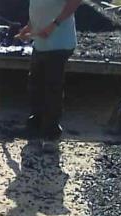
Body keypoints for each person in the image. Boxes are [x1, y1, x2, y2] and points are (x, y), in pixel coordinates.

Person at [16, 0, 82, 150]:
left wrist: (54, 24)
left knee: (52, 88)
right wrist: (29, 27)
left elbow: (75, 2)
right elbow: (36, 8)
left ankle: (50, 134)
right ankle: (36, 124)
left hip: (59, 43)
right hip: (40, 43)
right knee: (35, 84)